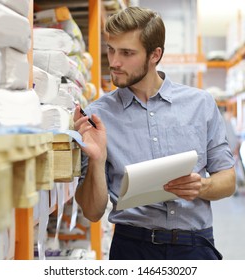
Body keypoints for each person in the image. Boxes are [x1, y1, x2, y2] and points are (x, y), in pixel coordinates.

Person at [73, 6, 236, 260]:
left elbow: (228, 179)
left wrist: (202, 186)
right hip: (131, 247)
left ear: (154, 55)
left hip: (195, 246)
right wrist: (97, 159)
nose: (114, 62)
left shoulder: (200, 104)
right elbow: (93, 212)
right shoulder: (97, 115)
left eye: (127, 53)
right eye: (111, 49)